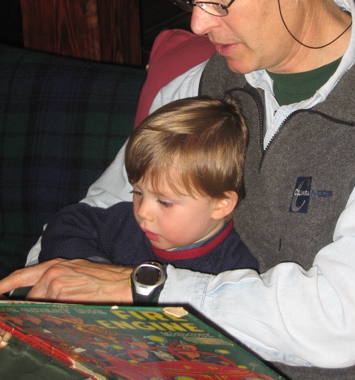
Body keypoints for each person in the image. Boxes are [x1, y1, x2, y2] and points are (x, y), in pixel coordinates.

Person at [0, 0, 355, 380]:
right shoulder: (199, 87)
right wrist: (57, 288)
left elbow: (340, 320)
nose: (199, 25)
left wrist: (144, 286)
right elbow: (111, 200)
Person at [38, 96, 259, 275]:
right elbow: (67, 223)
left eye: (164, 202)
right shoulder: (124, 227)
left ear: (221, 205)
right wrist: (94, 268)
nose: (143, 211)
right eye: (137, 191)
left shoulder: (235, 271)